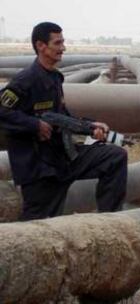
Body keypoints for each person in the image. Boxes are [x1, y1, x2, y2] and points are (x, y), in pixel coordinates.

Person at [0, 22, 128, 220]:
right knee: (38, 227)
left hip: (63, 157)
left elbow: (62, 117)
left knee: (114, 157)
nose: (63, 48)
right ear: (41, 46)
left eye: (63, 42)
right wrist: (34, 125)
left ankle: (108, 224)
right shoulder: (26, 80)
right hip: (39, 168)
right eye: (58, 43)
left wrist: (90, 126)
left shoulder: (55, 78)